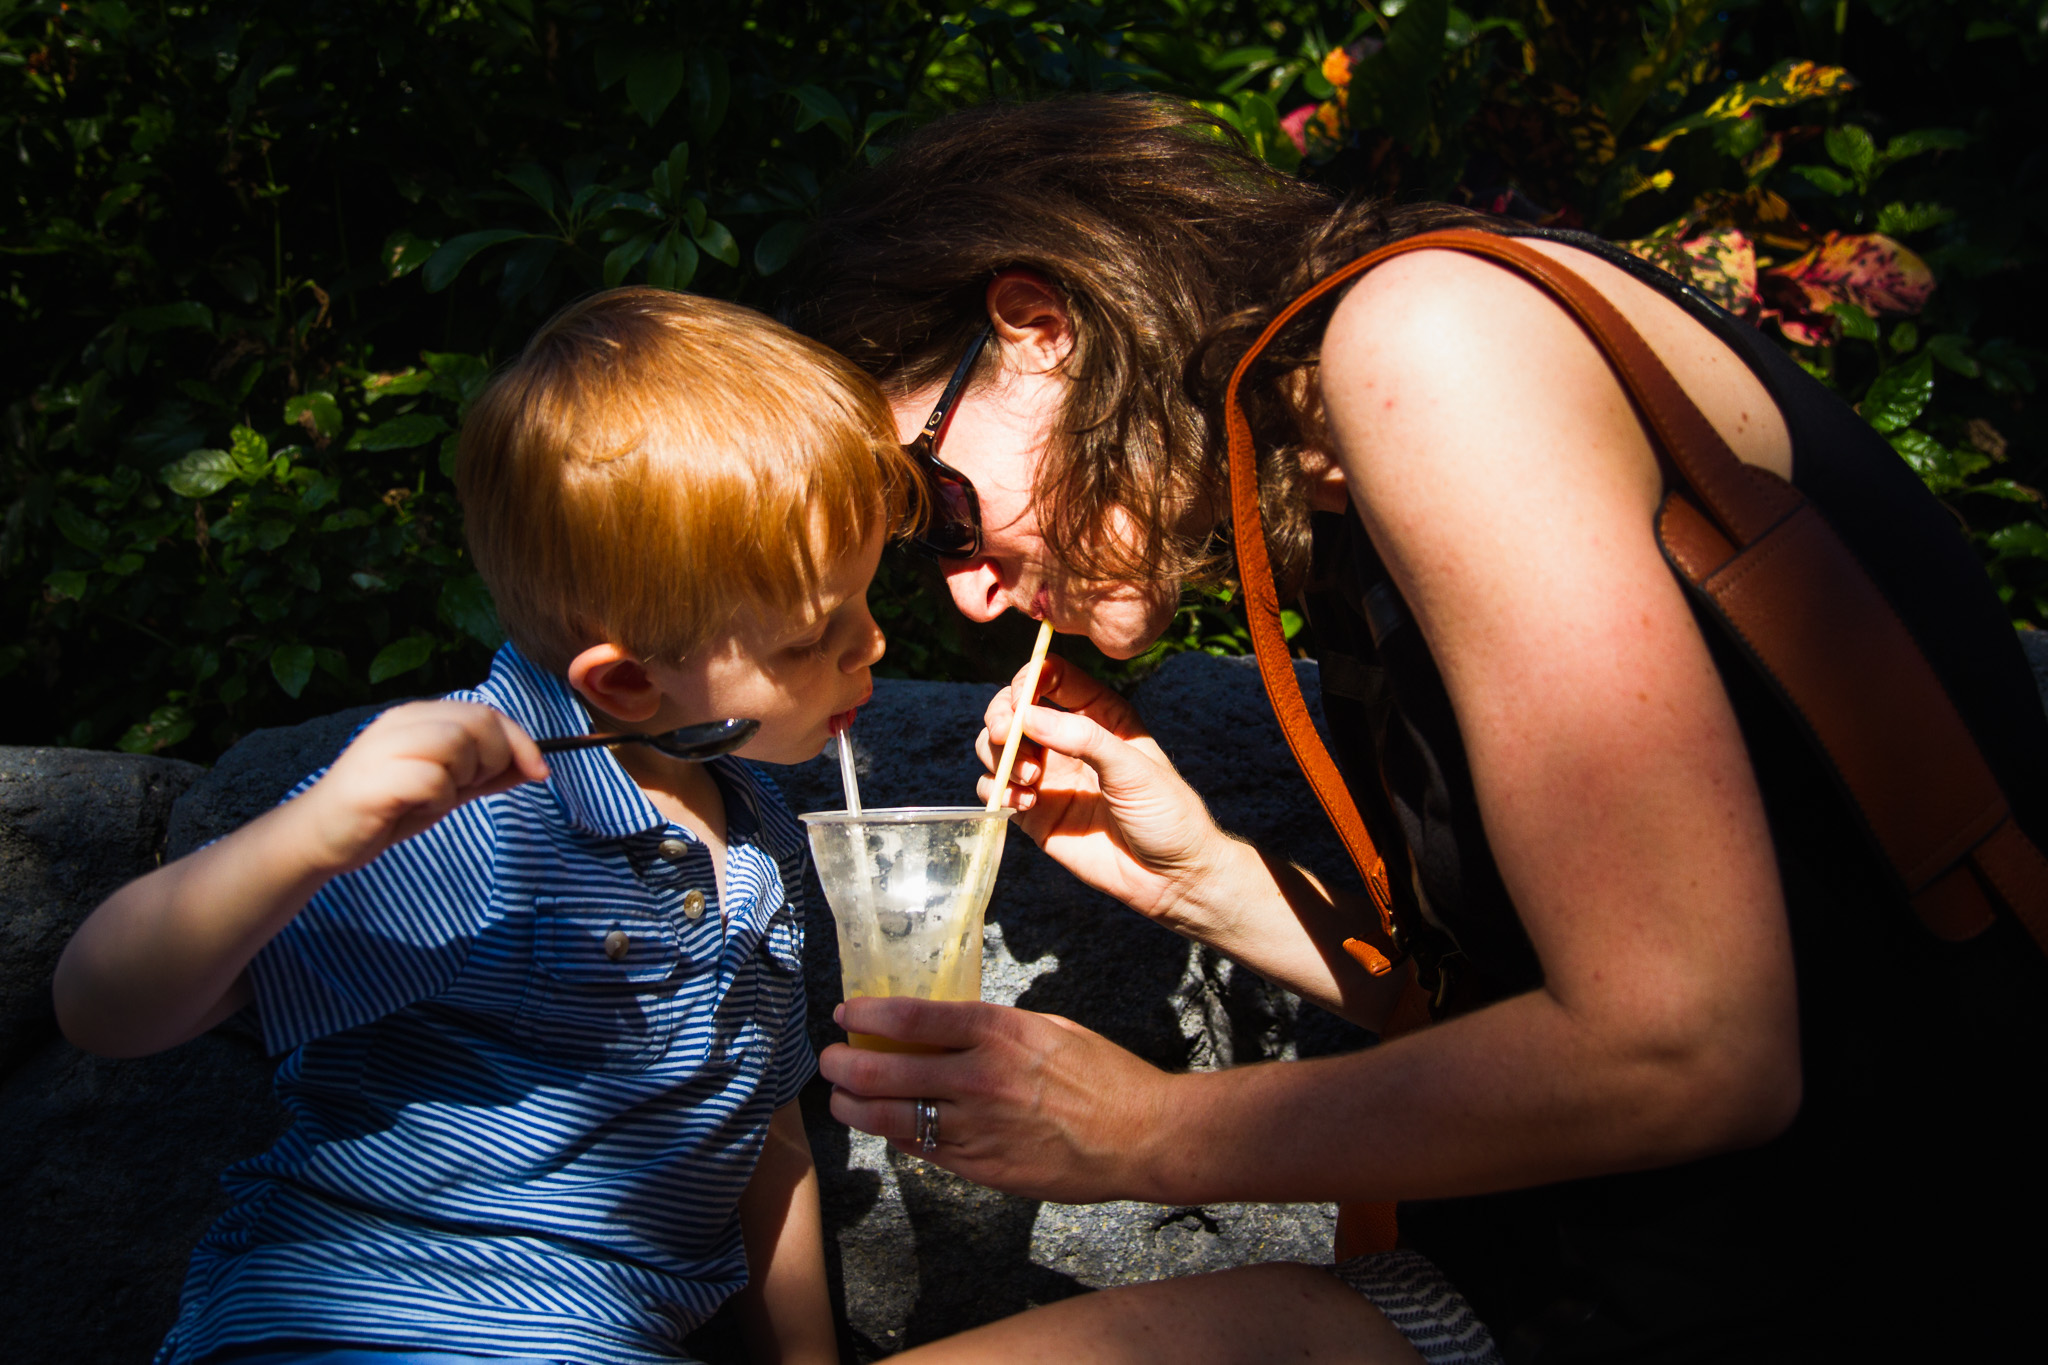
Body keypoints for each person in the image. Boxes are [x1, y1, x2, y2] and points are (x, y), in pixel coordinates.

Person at [788, 96, 2048, 1362]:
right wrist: (1212, 885)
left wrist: (1142, 1134)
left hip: (1872, 1284)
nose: (964, 587)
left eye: (938, 502)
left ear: (1042, 329)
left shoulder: (1432, 342)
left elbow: (1690, 1053)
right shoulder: (1356, 461)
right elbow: (1547, 1039)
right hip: (1605, 1275)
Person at [53, 288, 916, 1365]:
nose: (872, 645)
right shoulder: (481, 814)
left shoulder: (760, 831)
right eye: (815, 635)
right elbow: (102, 1006)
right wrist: (321, 831)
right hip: (371, 1322)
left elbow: (763, 1130)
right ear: (630, 681)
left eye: (868, 602)